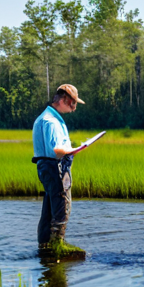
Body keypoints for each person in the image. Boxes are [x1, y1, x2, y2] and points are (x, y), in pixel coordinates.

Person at [32, 84, 85, 255]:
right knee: (62, 207)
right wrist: (76, 150)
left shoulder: (44, 117)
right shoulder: (51, 121)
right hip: (56, 168)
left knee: (49, 208)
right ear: (64, 100)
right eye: (73, 104)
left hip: (46, 167)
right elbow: (57, 150)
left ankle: (45, 245)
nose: (74, 108)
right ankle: (57, 246)